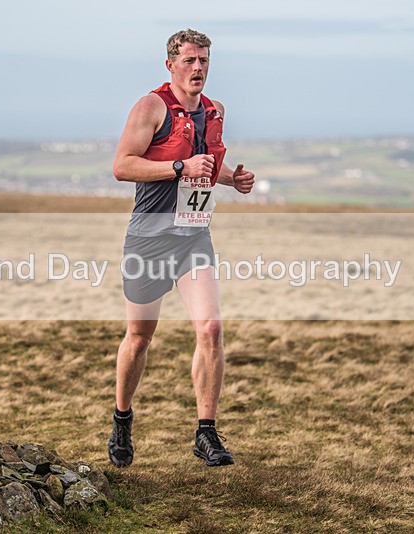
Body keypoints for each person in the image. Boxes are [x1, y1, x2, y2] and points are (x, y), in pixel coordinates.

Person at [108, 29, 255, 468]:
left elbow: (206, 160)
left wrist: (232, 178)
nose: (198, 68)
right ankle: (122, 418)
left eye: (204, 60)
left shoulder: (215, 111)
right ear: (170, 64)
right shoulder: (150, 107)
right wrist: (179, 167)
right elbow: (122, 166)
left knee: (210, 328)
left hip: (193, 236)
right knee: (139, 338)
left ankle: (205, 433)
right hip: (149, 238)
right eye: (190, 60)